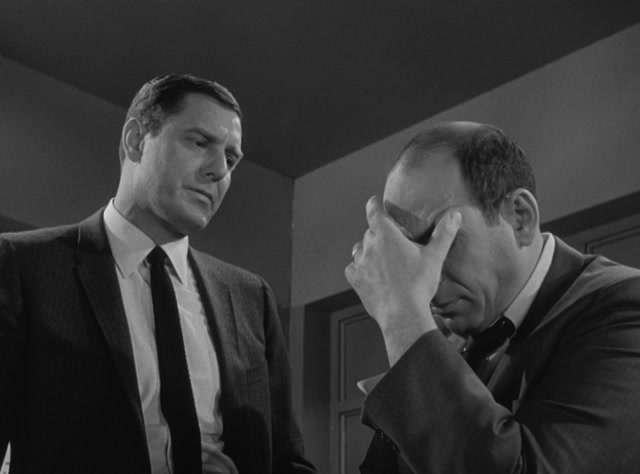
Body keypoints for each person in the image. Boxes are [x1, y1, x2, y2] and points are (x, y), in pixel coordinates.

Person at [0, 74, 316, 474]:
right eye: (199, 143)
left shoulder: (251, 296)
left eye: (231, 158)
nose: (219, 170)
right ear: (135, 140)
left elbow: (285, 459)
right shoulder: (22, 264)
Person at [345, 121, 640, 473]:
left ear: (520, 218)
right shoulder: (442, 348)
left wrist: (401, 316)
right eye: (408, 254)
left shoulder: (627, 309)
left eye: (440, 240)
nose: (423, 280)